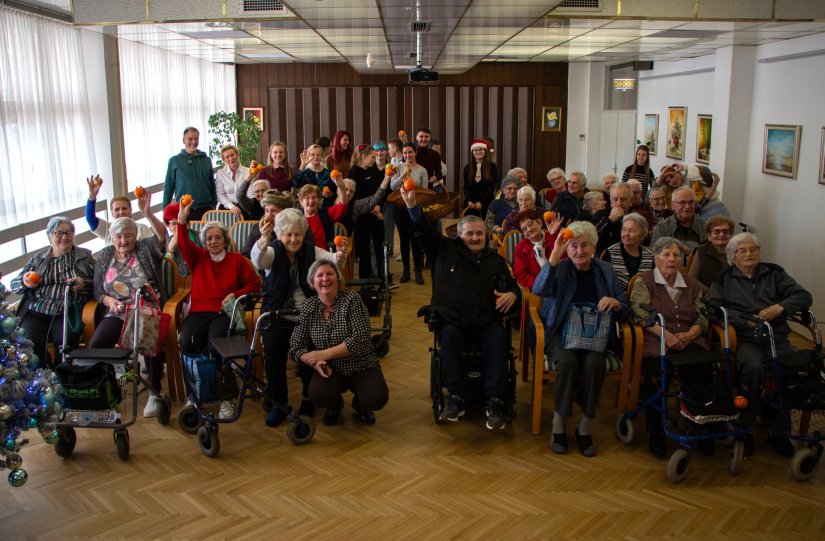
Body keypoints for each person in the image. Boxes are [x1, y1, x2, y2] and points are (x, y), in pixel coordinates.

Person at [401, 188, 520, 430]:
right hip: (453, 319)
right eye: (469, 234)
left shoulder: (496, 260)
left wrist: (513, 294)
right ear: (459, 234)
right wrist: (412, 207)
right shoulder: (444, 250)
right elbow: (424, 230)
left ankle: (495, 401)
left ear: (486, 235)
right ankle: (455, 397)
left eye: (479, 233)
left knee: (499, 339)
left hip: (487, 320)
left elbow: (513, 287)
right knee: (448, 336)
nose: (475, 238)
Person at [709, 232, 812, 457]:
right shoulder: (724, 278)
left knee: (787, 371)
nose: (749, 254)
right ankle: (745, 428)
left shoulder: (774, 272)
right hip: (744, 337)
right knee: (754, 369)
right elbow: (714, 308)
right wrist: (743, 320)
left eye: (753, 249)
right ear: (733, 256)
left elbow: (804, 296)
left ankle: (779, 431)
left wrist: (781, 307)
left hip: (776, 336)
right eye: (742, 250)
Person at [533, 220, 629, 457]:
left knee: (595, 364)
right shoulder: (560, 267)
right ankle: (558, 422)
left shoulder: (605, 270)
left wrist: (616, 303)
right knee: (567, 362)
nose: (579, 251)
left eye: (584, 245)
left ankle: (584, 426)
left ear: (594, 247)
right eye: (573, 246)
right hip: (559, 331)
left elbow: (625, 307)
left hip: (595, 335)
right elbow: (539, 290)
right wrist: (554, 255)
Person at [252, 209, 347, 426]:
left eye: (297, 234)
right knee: (273, 356)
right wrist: (263, 240)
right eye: (288, 235)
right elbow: (259, 260)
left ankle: (307, 397)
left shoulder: (311, 251)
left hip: (306, 316)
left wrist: (339, 256)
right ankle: (279, 404)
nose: (293, 239)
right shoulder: (272, 251)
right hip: (277, 315)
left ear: (303, 234)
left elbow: (332, 259)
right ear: (279, 235)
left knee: (309, 355)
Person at [630, 237, 712, 457]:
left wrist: (692, 333)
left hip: (689, 339)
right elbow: (640, 313)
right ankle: (655, 431)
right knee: (657, 376)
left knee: (702, 371)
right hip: (657, 340)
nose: (671, 259)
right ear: (656, 258)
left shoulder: (692, 284)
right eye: (666, 254)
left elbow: (705, 313)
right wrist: (665, 335)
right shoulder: (645, 281)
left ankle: (700, 425)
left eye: (676, 255)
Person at [89, 192, 168, 417]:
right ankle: (109, 389)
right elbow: (97, 289)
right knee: (97, 344)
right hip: (117, 311)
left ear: (135, 235)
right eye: (118, 237)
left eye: (128, 236)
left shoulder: (145, 248)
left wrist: (148, 213)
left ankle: (154, 392)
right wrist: (108, 300)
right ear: (111, 238)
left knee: (149, 340)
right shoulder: (105, 255)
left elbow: (162, 237)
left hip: (145, 309)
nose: (123, 241)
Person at [288, 260, 389, 426]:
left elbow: (361, 339)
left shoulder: (352, 299)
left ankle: (360, 405)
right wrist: (313, 361)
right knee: (318, 394)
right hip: (330, 368)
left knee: (376, 398)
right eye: (319, 275)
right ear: (312, 282)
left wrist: (322, 354)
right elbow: (295, 346)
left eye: (330, 274)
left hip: (361, 363)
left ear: (338, 278)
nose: (325, 279)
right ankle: (335, 406)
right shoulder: (309, 307)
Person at [175, 199, 261, 370]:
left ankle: (221, 381)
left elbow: (254, 285)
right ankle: (196, 383)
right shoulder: (198, 258)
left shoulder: (237, 260)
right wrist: (181, 221)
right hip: (199, 311)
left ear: (225, 241)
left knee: (216, 343)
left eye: (217, 237)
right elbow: (183, 244)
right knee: (186, 341)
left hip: (223, 312)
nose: (213, 241)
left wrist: (235, 294)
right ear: (205, 242)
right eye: (209, 239)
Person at [11, 217, 94, 368]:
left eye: (69, 233)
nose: (64, 237)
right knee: (30, 342)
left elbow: (100, 284)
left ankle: (62, 375)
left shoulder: (84, 257)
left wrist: (84, 283)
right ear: (50, 236)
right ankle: (43, 376)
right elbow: (14, 286)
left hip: (67, 311)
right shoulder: (39, 259)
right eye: (59, 233)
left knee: (66, 342)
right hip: (37, 311)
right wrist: (24, 281)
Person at [391, 143, 428, 284]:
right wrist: (404, 175)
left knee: (416, 239)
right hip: (400, 207)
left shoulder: (422, 170)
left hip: (415, 207)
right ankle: (406, 270)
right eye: (405, 153)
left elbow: (424, 191)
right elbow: (392, 186)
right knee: (404, 239)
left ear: (415, 152)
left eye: (410, 152)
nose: (407, 155)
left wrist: (414, 201)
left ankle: (418, 270)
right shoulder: (398, 167)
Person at [162, 126, 216, 220]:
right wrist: (165, 210)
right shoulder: (174, 161)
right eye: (190, 139)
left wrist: (214, 204)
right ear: (184, 140)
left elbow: (212, 183)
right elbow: (169, 186)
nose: (194, 142)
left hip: (207, 209)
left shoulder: (206, 160)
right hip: (184, 209)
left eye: (196, 139)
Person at [86, 177, 154, 244]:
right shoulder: (108, 229)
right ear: (112, 213)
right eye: (117, 209)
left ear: (130, 210)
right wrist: (92, 196)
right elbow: (90, 219)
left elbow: (155, 247)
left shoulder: (141, 229)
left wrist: (148, 213)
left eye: (124, 208)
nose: (121, 212)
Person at [601, 213, 654, 291]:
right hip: (615, 297)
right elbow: (602, 283)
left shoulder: (649, 255)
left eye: (631, 231)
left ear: (642, 236)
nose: (626, 234)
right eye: (624, 230)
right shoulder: (610, 253)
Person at [657, 163, 729, 218]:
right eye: (668, 181)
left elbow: (704, 173)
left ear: (678, 172)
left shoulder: (692, 177)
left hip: (715, 209)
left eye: (672, 176)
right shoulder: (677, 191)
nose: (672, 181)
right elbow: (655, 187)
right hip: (701, 214)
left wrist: (684, 167)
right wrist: (661, 176)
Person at [240, 190, 298, 258]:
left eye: (274, 210)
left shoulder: (295, 227)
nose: (269, 215)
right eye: (267, 210)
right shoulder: (257, 227)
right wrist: (263, 238)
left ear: (284, 212)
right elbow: (245, 254)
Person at [513, 209, 562, 289]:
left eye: (530, 224)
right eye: (524, 229)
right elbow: (520, 274)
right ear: (523, 234)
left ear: (539, 222)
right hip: (539, 289)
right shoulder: (520, 248)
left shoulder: (554, 237)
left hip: (561, 284)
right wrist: (540, 283)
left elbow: (564, 260)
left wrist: (553, 235)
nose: (529, 229)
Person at [298, 177, 350, 250]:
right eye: (307, 198)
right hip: (304, 255)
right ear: (301, 201)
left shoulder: (326, 213)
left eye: (314, 197)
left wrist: (342, 187)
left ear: (319, 200)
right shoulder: (296, 218)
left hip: (325, 254)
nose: (311, 201)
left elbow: (343, 207)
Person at [651, 187, 707, 251]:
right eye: (682, 203)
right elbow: (655, 252)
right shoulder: (662, 228)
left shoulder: (705, 227)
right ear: (673, 205)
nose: (687, 206)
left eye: (691, 202)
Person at [687, 215, 735, 287]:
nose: (721, 234)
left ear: (731, 235)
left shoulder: (737, 251)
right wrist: (707, 291)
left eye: (726, 231)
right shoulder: (701, 251)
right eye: (716, 232)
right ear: (709, 236)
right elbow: (692, 279)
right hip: (707, 292)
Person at [462, 139, 499, 218]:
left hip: (486, 201)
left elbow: (492, 187)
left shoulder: (492, 166)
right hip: (471, 203)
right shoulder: (467, 167)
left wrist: (481, 202)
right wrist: (469, 200)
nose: (478, 152)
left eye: (481, 149)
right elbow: (466, 186)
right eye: (476, 150)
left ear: (485, 151)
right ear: (472, 152)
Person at [593, 183, 633, 254]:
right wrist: (610, 219)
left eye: (623, 199)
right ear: (610, 201)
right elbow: (593, 237)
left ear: (630, 201)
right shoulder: (600, 215)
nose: (619, 203)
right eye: (615, 199)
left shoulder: (635, 217)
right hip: (606, 257)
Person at [215, 144, 253, 219]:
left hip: (245, 209)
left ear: (238, 155)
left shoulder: (249, 171)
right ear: (224, 160)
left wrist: (243, 206)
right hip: (227, 209)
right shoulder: (220, 173)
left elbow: (250, 194)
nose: (231, 158)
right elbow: (220, 195)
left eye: (232, 155)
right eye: (227, 157)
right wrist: (231, 206)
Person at [295, 144, 336, 208]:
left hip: (324, 207)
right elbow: (296, 184)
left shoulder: (328, 173)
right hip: (307, 206)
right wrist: (303, 165)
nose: (316, 157)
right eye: (312, 155)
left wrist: (330, 194)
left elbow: (334, 191)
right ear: (308, 156)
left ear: (322, 156)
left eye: (318, 155)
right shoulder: (305, 172)